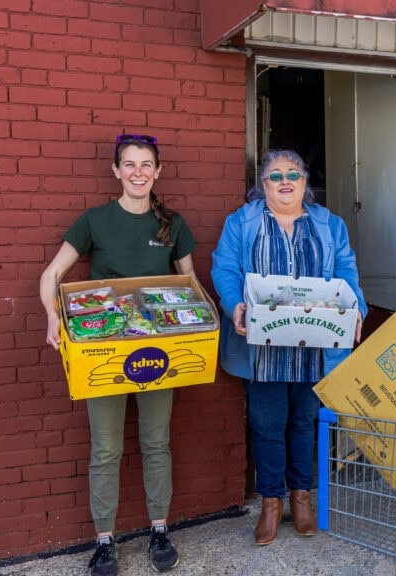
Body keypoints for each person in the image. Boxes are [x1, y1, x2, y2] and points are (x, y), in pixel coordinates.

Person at [39, 134, 196, 576]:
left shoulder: (173, 224)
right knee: (105, 448)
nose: (138, 173)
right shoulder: (95, 221)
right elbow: (52, 274)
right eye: (129, 164)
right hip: (104, 352)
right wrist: (53, 317)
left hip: (156, 351)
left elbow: (191, 288)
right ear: (116, 171)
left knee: (155, 443)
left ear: (158, 172)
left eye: (147, 165)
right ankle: (104, 540)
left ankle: (159, 531)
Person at [211, 149, 366, 546]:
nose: (284, 181)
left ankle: (301, 498)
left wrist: (356, 310)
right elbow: (224, 268)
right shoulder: (240, 223)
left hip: (314, 346)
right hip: (262, 348)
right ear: (263, 185)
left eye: (293, 174)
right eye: (275, 175)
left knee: (304, 423)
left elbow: (346, 270)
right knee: (266, 426)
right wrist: (236, 306)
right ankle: (270, 503)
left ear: (304, 181)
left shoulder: (329, 224)